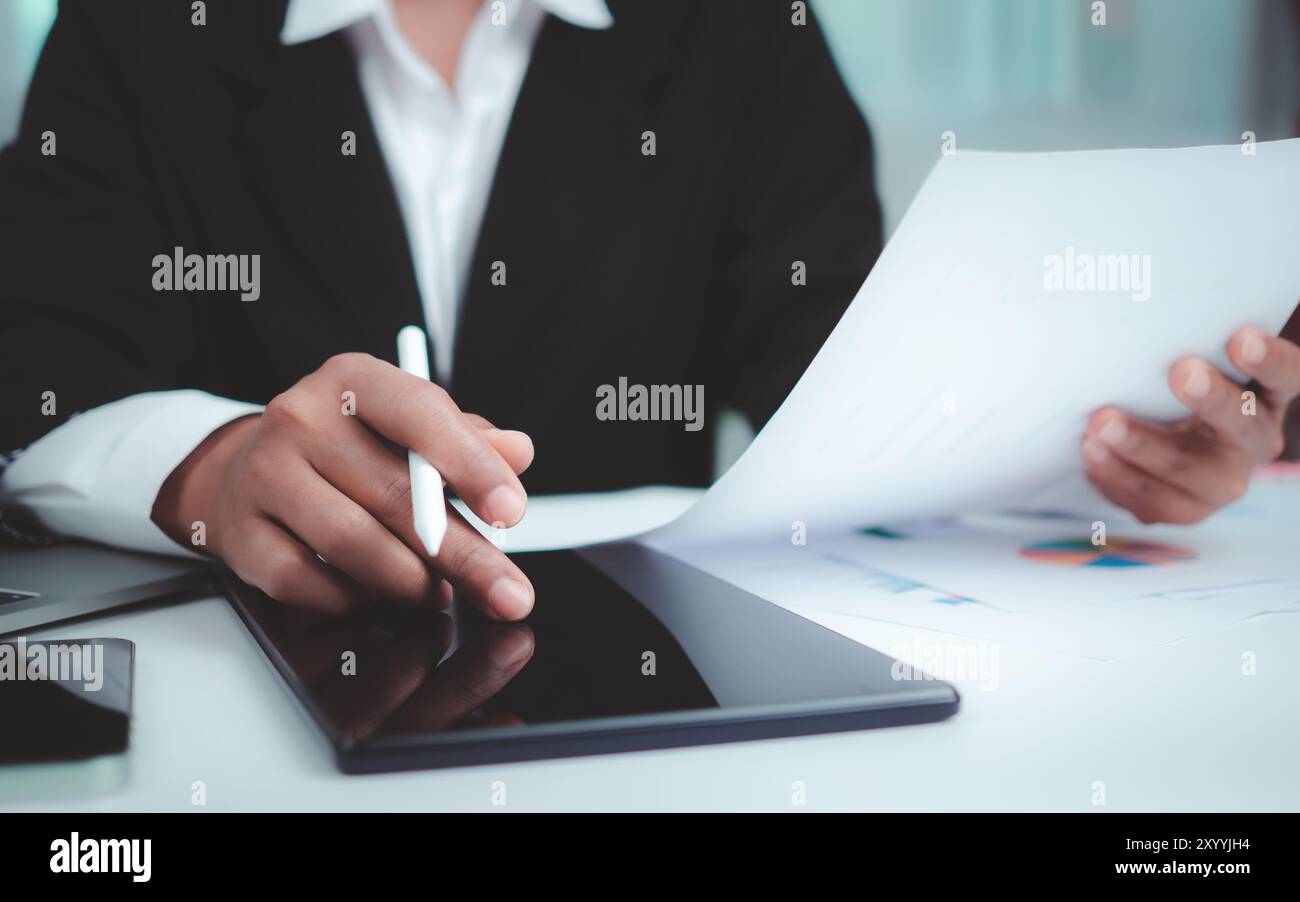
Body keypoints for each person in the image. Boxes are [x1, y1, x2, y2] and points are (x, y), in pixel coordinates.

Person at [2, 0, 1297, 622]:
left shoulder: (741, 31)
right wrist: (209, 465)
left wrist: (1098, 448)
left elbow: (855, 383)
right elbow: (37, 373)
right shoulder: (141, 32)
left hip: (642, 725)